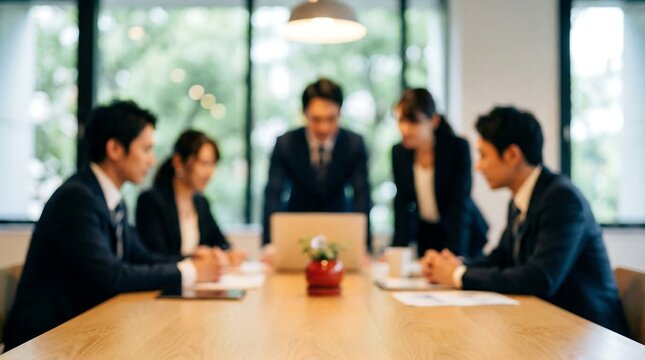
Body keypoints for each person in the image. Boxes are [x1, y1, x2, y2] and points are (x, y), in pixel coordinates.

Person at [3, 101, 223, 351]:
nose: (152, 161)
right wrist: (191, 272)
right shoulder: (77, 199)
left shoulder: (111, 200)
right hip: (46, 342)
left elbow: (141, 257)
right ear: (115, 149)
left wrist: (191, 260)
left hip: (83, 332)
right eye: (146, 149)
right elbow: (111, 276)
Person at [421, 106, 629, 335]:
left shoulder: (562, 199)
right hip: (551, 327)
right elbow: (502, 258)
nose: (478, 167)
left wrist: (457, 275)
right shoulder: (522, 198)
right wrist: (455, 265)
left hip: (591, 334)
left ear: (512, 155)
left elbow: (540, 278)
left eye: (483, 155)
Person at [262, 78, 372, 248]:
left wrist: (364, 245)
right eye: (316, 119)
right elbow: (273, 195)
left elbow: (362, 196)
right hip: (296, 230)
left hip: (341, 231)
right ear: (304, 114)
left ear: (340, 112)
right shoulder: (286, 143)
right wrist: (270, 244)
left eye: (331, 118)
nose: (324, 128)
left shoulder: (354, 144)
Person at [392, 88, 488, 259]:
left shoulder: (457, 149)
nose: (404, 128)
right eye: (400, 120)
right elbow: (402, 203)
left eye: (413, 121)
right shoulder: (399, 153)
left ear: (434, 121)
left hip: (462, 234)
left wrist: (455, 253)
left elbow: (460, 203)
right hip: (428, 235)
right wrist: (398, 251)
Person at [136, 130, 246, 266]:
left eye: (213, 164)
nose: (210, 173)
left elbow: (220, 242)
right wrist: (192, 259)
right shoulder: (151, 200)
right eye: (204, 164)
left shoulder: (201, 202)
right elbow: (153, 256)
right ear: (178, 162)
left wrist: (226, 253)